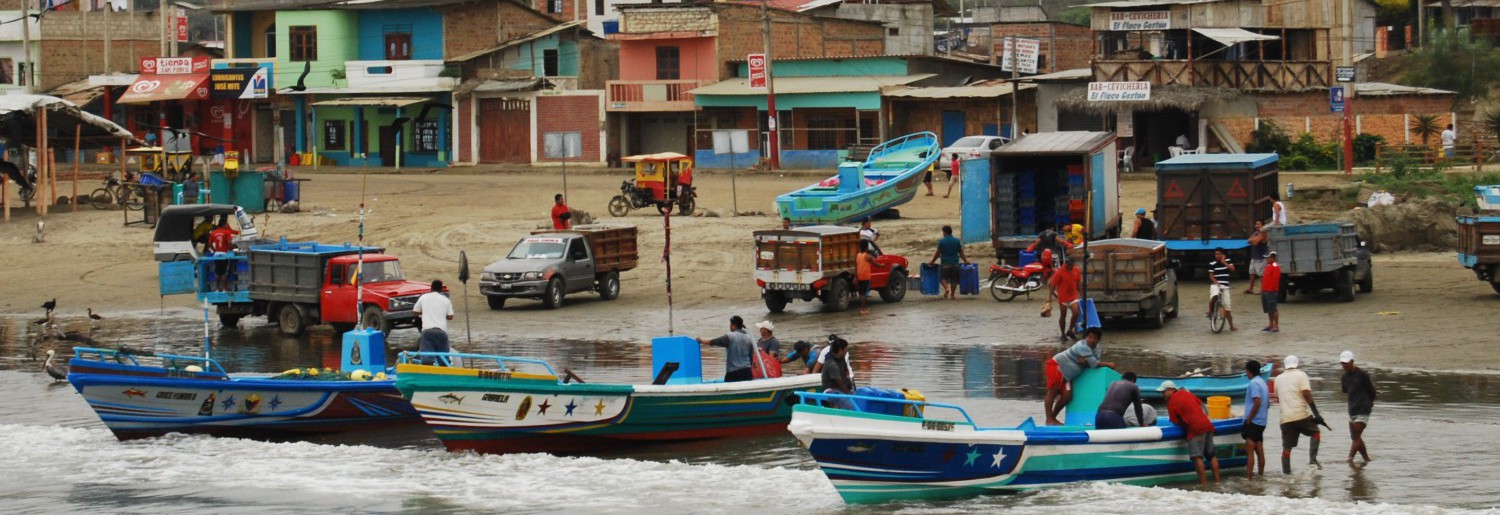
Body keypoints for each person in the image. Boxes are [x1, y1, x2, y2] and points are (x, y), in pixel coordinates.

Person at [1043, 327, 1116, 425]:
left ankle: (1053, 418)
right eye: (1089, 337)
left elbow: (1094, 362)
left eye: (1095, 338)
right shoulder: (1082, 346)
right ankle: (1049, 419)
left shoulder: (1098, 347)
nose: (1092, 340)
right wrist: (1109, 364)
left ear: (1098, 340)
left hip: (1068, 375)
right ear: (1085, 337)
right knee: (1053, 392)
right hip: (1058, 366)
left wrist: (1088, 362)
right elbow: (1094, 363)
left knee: (1067, 396)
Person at [1160, 381, 1221, 485]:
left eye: (1164, 392)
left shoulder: (1171, 402)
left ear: (1171, 390)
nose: (1163, 395)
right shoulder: (1186, 393)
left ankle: (1203, 484)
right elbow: (1200, 404)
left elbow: (1174, 421)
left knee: (1197, 457)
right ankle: (1217, 482)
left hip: (1195, 429)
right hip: (1207, 424)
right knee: (1211, 455)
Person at [1275, 355, 1327, 474]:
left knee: (1286, 448)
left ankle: (1286, 474)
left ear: (1284, 366)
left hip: (1285, 419)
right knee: (1315, 433)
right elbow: (1306, 394)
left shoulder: (1277, 379)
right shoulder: (1301, 375)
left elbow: (1278, 399)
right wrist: (1316, 414)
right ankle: (1313, 460)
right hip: (1301, 415)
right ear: (1297, 364)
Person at [1340, 350, 1377, 462]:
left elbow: (1372, 390)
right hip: (1352, 410)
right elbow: (1346, 391)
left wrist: (1371, 402)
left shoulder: (1362, 375)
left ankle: (1349, 460)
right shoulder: (1344, 377)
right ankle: (1366, 459)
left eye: (1346, 363)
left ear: (1352, 361)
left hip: (1363, 408)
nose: (1344, 365)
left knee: (1356, 437)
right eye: (1342, 363)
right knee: (1355, 437)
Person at [697, 316, 756, 382]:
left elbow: (716, 342)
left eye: (730, 324)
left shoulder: (730, 336)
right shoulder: (749, 338)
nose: (729, 326)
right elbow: (751, 356)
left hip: (733, 373)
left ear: (733, 325)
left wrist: (702, 341)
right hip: (747, 372)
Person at [412, 280, 455, 365]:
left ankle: (428, 370)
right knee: (444, 359)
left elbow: (415, 311)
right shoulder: (446, 300)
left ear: (431, 288)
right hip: (441, 332)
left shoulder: (424, 297)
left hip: (427, 332)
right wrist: (442, 314)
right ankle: (445, 370)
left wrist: (424, 312)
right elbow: (450, 316)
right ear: (441, 289)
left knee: (427, 359)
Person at [1242, 359, 1270, 478]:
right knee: (1259, 450)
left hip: (1254, 421)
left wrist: (1249, 418)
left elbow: (1257, 402)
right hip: (1262, 421)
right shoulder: (1263, 383)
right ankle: (1261, 475)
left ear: (1249, 371)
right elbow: (1267, 404)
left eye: (1246, 372)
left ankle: (1249, 478)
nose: (1246, 374)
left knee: (1250, 451)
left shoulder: (1253, 383)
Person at [929, 225, 968, 300]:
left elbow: (938, 253)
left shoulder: (942, 241)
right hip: (955, 264)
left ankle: (947, 288)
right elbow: (961, 252)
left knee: (942, 278)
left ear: (945, 232)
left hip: (945, 264)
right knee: (954, 280)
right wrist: (965, 261)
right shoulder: (957, 241)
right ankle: (952, 295)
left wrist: (932, 261)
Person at [1049, 257, 1083, 339]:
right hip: (1063, 297)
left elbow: (1078, 283)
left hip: (1073, 296)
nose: (1070, 267)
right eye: (1069, 265)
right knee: (1063, 315)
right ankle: (1063, 334)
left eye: (1072, 265)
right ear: (1066, 264)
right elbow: (1053, 285)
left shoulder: (1076, 270)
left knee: (1076, 313)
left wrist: (1082, 294)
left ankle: (1070, 330)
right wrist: (1049, 297)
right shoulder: (1060, 271)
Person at [1206, 247, 1237, 331]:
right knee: (1214, 296)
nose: (1217, 255)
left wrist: (1224, 262)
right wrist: (1216, 283)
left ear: (1223, 255)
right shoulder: (1212, 263)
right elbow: (1211, 275)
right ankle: (1210, 311)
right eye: (1216, 254)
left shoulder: (1228, 261)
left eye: (1219, 254)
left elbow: (1232, 269)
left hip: (1225, 286)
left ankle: (1231, 326)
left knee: (1227, 307)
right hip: (1215, 285)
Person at [208, 217, 240, 291]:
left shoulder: (213, 233)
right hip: (224, 254)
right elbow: (229, 243)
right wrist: (232, 248)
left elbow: (209, 244)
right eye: (226, 224)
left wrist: (215, 250)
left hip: (216, 254)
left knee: (217, 271)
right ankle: (224, 287)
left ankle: (216, 288)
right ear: (224, 224)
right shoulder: (226, 232)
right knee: (224, 272)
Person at [820, 338, 854, 408]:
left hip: (839, 388)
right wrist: (850, 394)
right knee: (850, 404)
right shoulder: (832, 364)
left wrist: (848, 381)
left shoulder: (841, 358)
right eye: (845, 349)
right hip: (830, 390)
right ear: (840, 350)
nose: (847, 351)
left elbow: (846, 370)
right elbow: (840, 383)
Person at [1261, 251, 1281, 333]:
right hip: (1265, 290)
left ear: (1272, 258)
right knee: (1269, 309)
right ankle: (1270, 324)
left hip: (1271, 291)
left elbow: (1275, 279)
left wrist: (1272, 290)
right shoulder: (1268, 266)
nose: (1266, 259)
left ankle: (1276, 326)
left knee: (1273, 309)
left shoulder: (1275, 266)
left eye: (1268, 257)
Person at [1246, 221, 1268, 294]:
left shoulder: (1263, 233)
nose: (1257, 226)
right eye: (1256, 224)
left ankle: (1263, 289)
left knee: (1262, 275)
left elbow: (1255, 243)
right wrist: (1254, 239)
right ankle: (1250, 289)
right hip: (1254, 257)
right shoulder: (1255, 233)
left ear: (1262, 225)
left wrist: (1253, 240)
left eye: (1259, 224)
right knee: (1252, 273)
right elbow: (1248, 241)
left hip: (1261, 258)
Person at [856, 242, 877, 315]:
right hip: (866, 277)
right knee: (864, 294)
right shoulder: (868, 256)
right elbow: (875, 264)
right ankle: (864, 309)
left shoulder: (858, 255)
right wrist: (882, 265)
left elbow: (856, 267)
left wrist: (855, 277)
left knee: (861, 294)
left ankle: (862, 309)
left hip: (859, 277)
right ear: (866, 247)